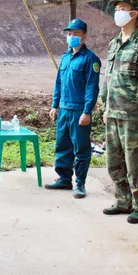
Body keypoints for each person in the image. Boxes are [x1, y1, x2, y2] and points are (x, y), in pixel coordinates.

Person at [100, 0, 138, 224]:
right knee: (114, 161)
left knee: (135, 163)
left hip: (133, 115)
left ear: (134, 13)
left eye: (122, 8)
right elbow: (109, 76)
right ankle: (123, 199)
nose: (118, 13)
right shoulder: (114, 43)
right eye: (116, 9)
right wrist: (104, 105)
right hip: (113, 112)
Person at [47, 19, 101, 199]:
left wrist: (87, 111)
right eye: (69, 34)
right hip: (63, 109)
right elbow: (58, 83)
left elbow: (92, 88)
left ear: (84, 36)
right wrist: (55, 105)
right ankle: (64, 179)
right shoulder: (65, 57)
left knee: (81, 148)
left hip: (79, 111)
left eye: (76, 34)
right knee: (62, 145)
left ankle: (80, 184)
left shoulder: (90, 59)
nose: (71, 37)